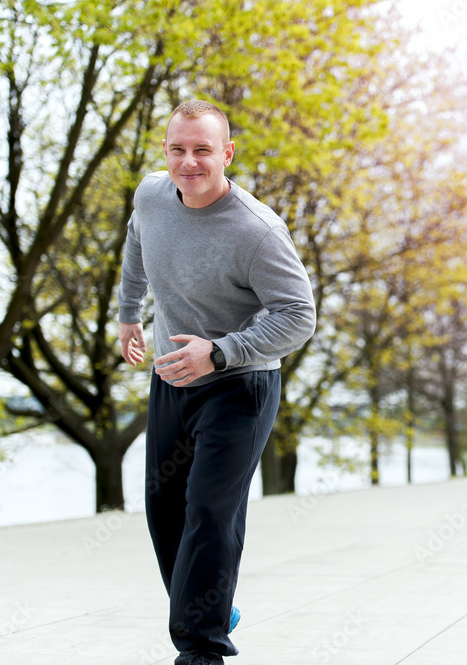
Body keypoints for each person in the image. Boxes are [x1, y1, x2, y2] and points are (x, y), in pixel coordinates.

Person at [117, 99, 315, 664]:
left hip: (241, 387)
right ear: (165, 150)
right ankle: (211, 604)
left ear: (226, 153)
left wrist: (224, 352)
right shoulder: (152, 196)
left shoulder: (256, 231)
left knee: (209, 509)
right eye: (178, 149)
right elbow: (136, 242)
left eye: (203, 150)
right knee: (165, 509)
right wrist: (130, 310)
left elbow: (299, 315)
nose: (189, 162)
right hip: (173, 380)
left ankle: (201, 649)